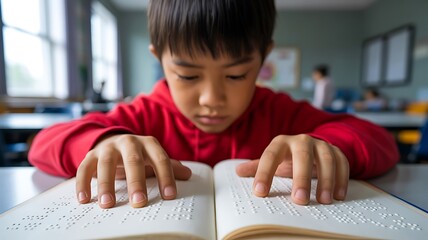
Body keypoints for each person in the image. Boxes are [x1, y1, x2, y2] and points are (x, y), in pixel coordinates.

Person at [28, 0, 399, 209]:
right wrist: (101, 145)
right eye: (188, 76)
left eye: (236, 75)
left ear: (263, 58)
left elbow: (378, 140)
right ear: (160, 60)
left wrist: (332, 149)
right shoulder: (142, 115)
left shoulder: (280, 112)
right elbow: (44, 145)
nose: (211, 99)